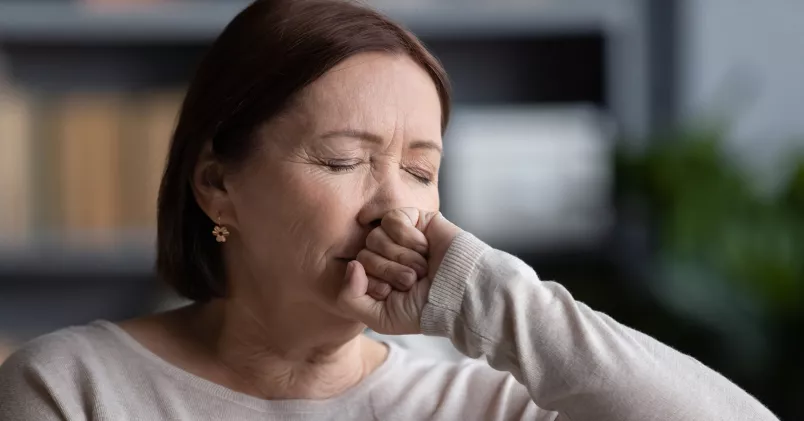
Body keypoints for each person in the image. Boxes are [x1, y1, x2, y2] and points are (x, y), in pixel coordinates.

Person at [0, 1, 779, 420]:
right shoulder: (75, 387)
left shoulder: (480, 400)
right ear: (216, 183)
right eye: (343, 161)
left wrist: (497, 301)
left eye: (420, 170)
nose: (395, 207)